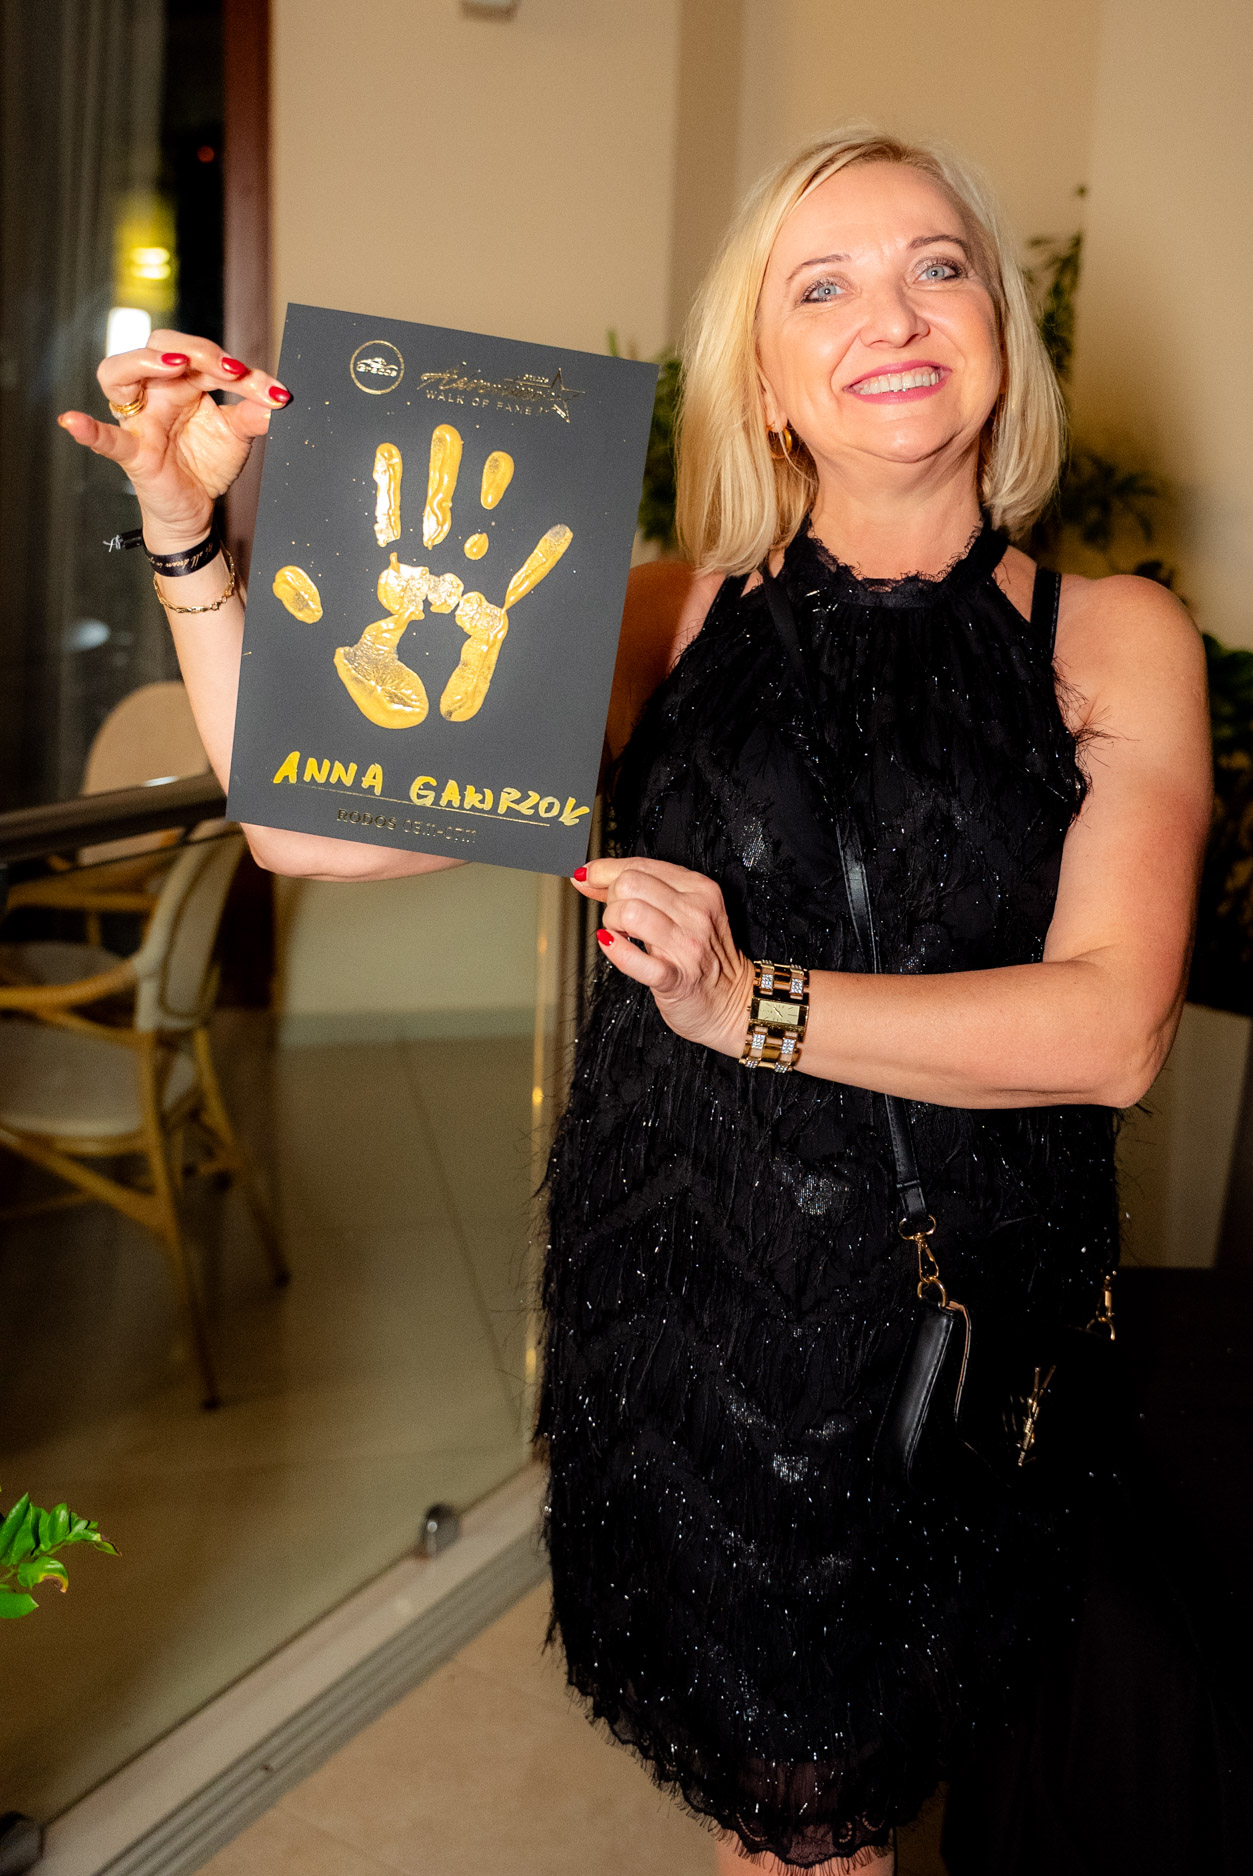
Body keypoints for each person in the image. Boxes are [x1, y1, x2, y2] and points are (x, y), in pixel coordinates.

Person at [61, 130, 1213, 1874]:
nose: (892, 315)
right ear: (761, 374)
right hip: (691, 1313)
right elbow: (305, 827)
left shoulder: (1112, 634)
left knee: (843, 1806)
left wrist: (754, 1005)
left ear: (999, 326)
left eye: (937, 267)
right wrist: (183, 531)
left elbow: (1111, 1029)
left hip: (945, 1329)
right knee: (792, 1823)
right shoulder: (657, 617)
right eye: (820, 286)